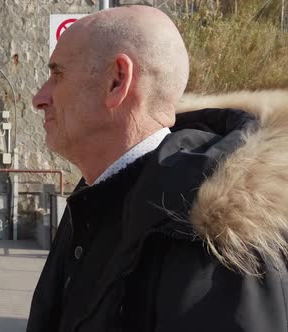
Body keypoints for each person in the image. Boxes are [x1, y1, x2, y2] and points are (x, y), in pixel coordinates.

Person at [27, 5, 288, 332]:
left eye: (58, 73)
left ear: (117, 81)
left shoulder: (216, 242)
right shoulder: (96, 197)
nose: (39, 97)